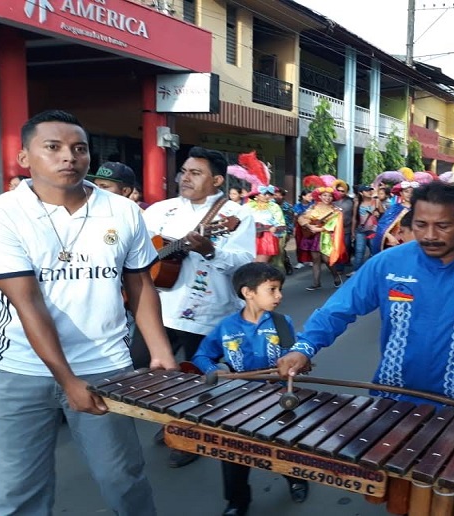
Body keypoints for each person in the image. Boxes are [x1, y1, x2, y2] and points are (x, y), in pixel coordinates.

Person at [0, 109, 177, 515]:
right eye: (53, 147)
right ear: (25, 157)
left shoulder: (123, 212)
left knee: (123, 480)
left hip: (108, 368)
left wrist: (160, 351)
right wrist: (68, 380)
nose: (69, 156)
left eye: (79, 148)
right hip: (20, 372)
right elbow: (27, 302)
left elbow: (139, 284)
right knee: (20, 492)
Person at [277, 181, 454, 413]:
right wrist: (304, 347)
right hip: (394, 402)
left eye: (443, 226)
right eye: (421, 224)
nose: (430, 235)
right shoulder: (386, 265)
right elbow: (337, 310)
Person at [137, 146, 256, 468]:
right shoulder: (160, 210)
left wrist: (210, 251)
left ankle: (190, 436)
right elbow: (137, 251)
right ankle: (172, 419)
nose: (185, 178)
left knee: (196, 375)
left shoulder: (237, 216)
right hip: (156, 307)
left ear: (217, 180)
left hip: (205, 311)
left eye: (195, 172)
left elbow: (244, 263)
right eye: (184, 171)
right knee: (150, 370)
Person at [191, 263, 308, 516]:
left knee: (283, 445)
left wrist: (297, 363)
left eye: (280, 289)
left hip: (277, 398)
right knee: (232, 449)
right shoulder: (226, 327)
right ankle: (237, 501)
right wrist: (214, 370)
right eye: (272, 289)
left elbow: (292, 353)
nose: (280, 296)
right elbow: (201, 356)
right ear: (248, 292)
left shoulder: (280, 322)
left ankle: (296, 478)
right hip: (238, 399)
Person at [297, 186, 344, 291]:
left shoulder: (336, 210)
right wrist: (309, 226)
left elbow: (333, 225)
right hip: (313, 236)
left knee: (327, 259)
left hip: (326, 237)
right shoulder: (313, 207)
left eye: (330, 196)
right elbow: (302, 217)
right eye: (325, 195)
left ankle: (336, 276)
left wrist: (319, 229)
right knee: (315, 259)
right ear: (320, 196)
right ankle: (316, 283)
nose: (327, 198)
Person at [370, 180, 416, 254]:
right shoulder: (395, 208)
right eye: (406, 191)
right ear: (401, 193)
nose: (409, 194)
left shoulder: (419, 209)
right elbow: (382, 226)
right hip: (395, 243)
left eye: (412, 192)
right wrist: (389, 236)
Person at [246, 185, 285, 263]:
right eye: (264, 194)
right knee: (249, 264)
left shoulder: (274, 206)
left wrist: (275, 227)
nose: (267, 196)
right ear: (257, 195)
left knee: (260, 264)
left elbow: (281, 225)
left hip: (266, 238)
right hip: (249, 236)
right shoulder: (248, 206)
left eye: (269, 194)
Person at [351, 185, 380, 272]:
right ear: (361, 193)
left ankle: (374, 270)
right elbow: (354, 218)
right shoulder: (358, 203)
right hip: (361, 230)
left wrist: (377, 205)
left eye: (370, 190)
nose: (369, 192)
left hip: (373, 230)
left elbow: (382, 212)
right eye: (367, 191)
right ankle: (356, 271)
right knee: (359, 251)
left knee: (374, 250)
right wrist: (353, 231)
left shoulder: (376, 201)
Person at [271, 186, 295, 275]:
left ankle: (286, 264)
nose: (277, 197)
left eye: (279, 195)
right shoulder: (270, 205)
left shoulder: (287, 207)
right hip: (272, 230)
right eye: (275, 195)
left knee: (280, 249)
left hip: (283, 231)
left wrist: (289, 233)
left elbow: (290, 221)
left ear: (283, 196)